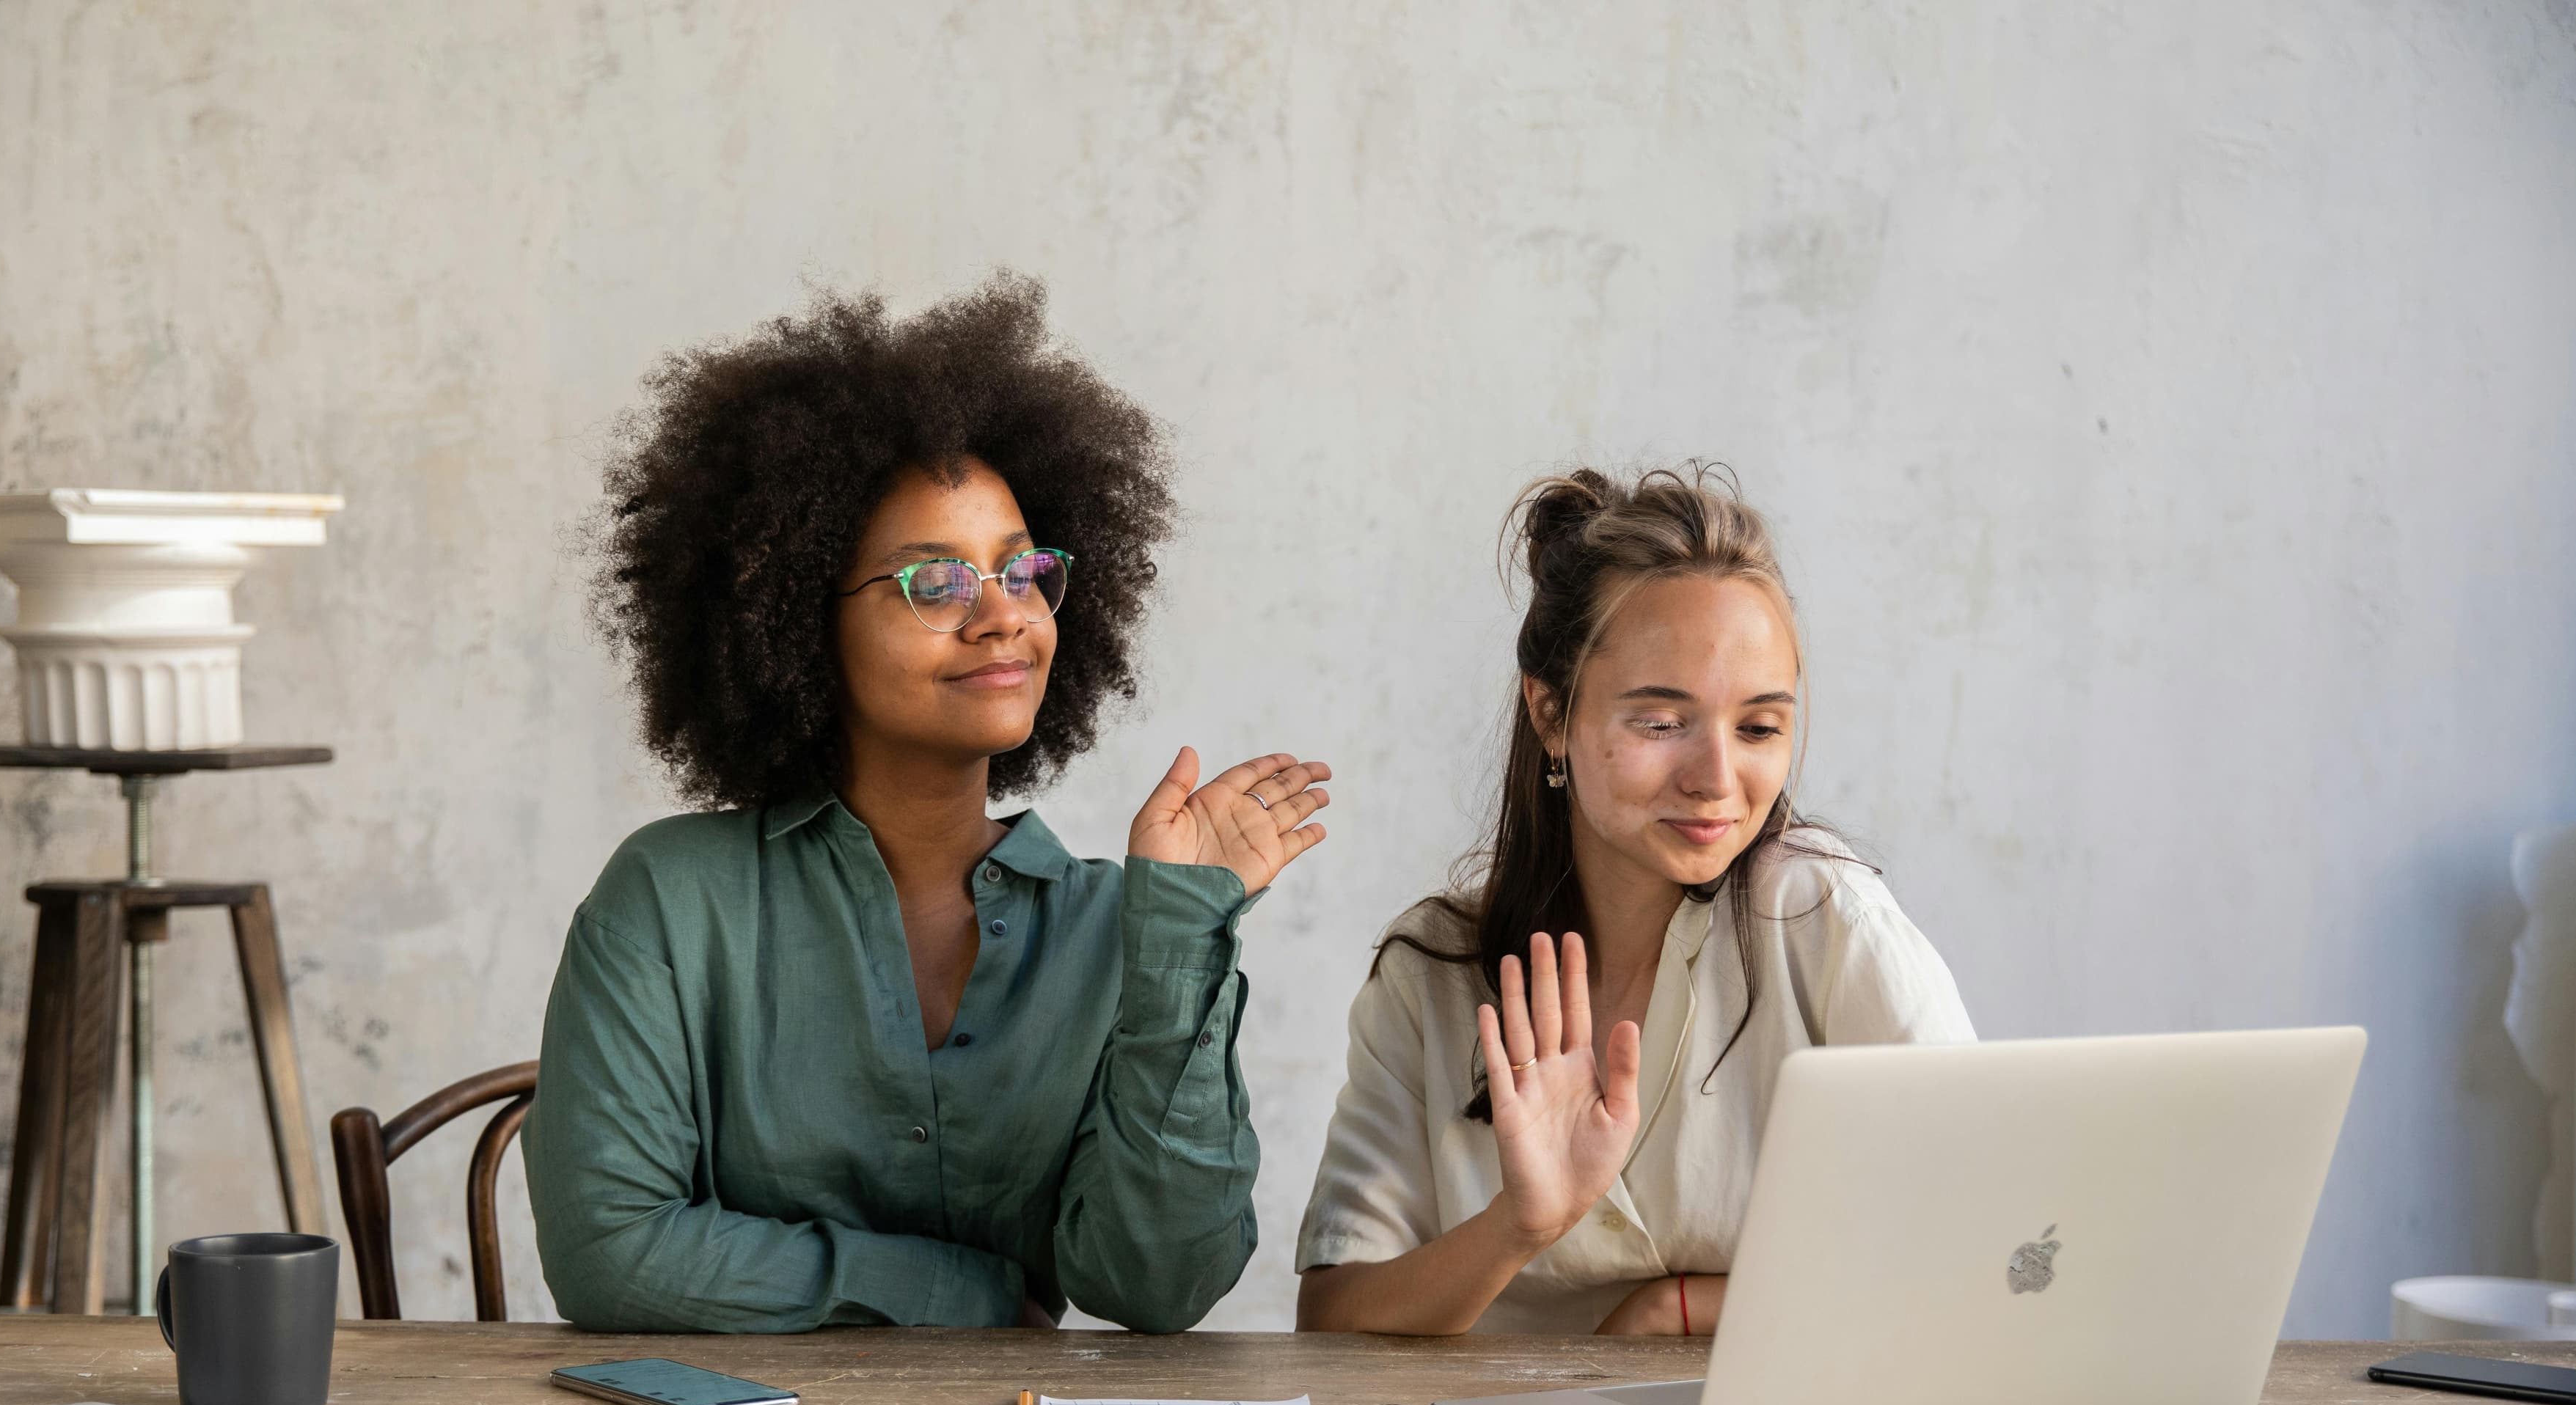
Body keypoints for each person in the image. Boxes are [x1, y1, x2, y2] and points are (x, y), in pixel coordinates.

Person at [527, 276, 1331, 1335]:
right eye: (935, 584)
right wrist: (968, 1293)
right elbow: (609, 1253)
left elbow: (1155, 1287)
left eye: (1023, 572)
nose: (1004, 618)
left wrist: (1183, 936)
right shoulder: (673, 902)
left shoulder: (1116, 928)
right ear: (798, 623)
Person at [1293, 466, 1970, 1336]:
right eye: (1660, 723)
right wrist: (1521, 1225)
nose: (1718, 780)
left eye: (1760, 727)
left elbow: (1980, 1248)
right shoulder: (1433, 976)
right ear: (1549, 713)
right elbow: (1334, 1319)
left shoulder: (1828, 923)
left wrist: (1679, 1309)